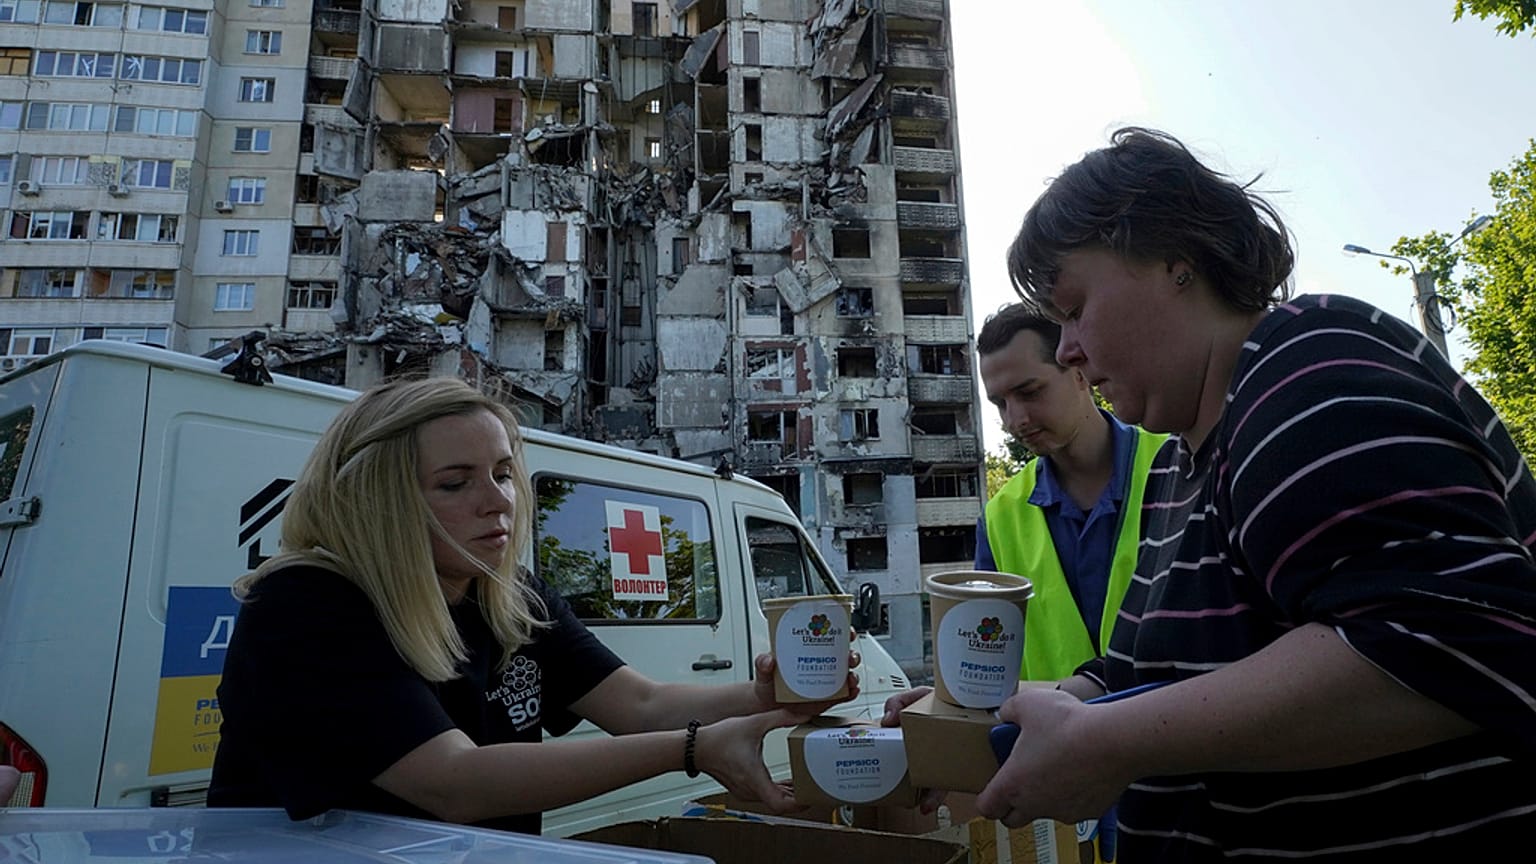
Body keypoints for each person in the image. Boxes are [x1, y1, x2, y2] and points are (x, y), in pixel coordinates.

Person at [971, 126, 1536, 858]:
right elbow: (1154, 674)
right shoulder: (1182, 463)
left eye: (1075, 308)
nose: (1069, 348)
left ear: (1176, 259)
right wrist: (1033, 708)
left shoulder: (1308, 364)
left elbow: (1450, 639)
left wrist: (1108, 740)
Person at [209, 377, 857, 834]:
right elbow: (454, 783)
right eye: (455, 483)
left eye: (501, 472)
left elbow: (640, 705)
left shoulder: (507, 596)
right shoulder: (306, 604)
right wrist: (694, 749)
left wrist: (767, 697)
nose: (499, 500)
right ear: (376, 500)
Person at [974, 303, 1165, 685]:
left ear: (1079, 370)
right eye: (1000, 403)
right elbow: (983, 662)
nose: (1015, 419)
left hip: (1181, 720)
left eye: (1029, 392)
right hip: (1049, 725)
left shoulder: (1177, 465)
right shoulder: (999, 517)